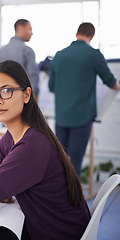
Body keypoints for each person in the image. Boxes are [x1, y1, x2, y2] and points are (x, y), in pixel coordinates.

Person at [0, 60, 90, 240]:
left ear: (26, 95)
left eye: (6, 91)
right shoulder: (14, 135)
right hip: (50, 227)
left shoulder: (32, 146)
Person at [49, 22, 120, 177]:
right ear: (92, 36)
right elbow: (111, 82)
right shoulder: (94, 55)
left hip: (61, 116)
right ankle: (73, 199)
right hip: (81, 117)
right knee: (75, 161)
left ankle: (58, 197)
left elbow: (51, 87)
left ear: (77, 34)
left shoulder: (59, 55)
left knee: (60, 159)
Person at [0, 19, 39, 99]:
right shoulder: (27, 51)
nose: (32, 33)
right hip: (22, 97)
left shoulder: (1, 51)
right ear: (20, 28)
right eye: (29, 29)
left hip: (4, 96)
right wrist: (34, 96)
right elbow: (33, 77)